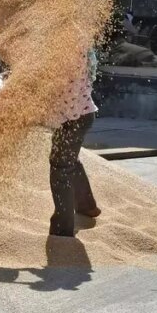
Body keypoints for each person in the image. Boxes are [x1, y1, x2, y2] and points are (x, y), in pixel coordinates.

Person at [47, 48, 101, 238]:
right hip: (77, 115)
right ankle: (87, 207)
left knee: (61, 167)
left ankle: (62, 229)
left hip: (75, 118)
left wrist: (50, 116)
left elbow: (69, 96)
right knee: (70, 160)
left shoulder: (73, 47)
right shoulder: (71, 43)